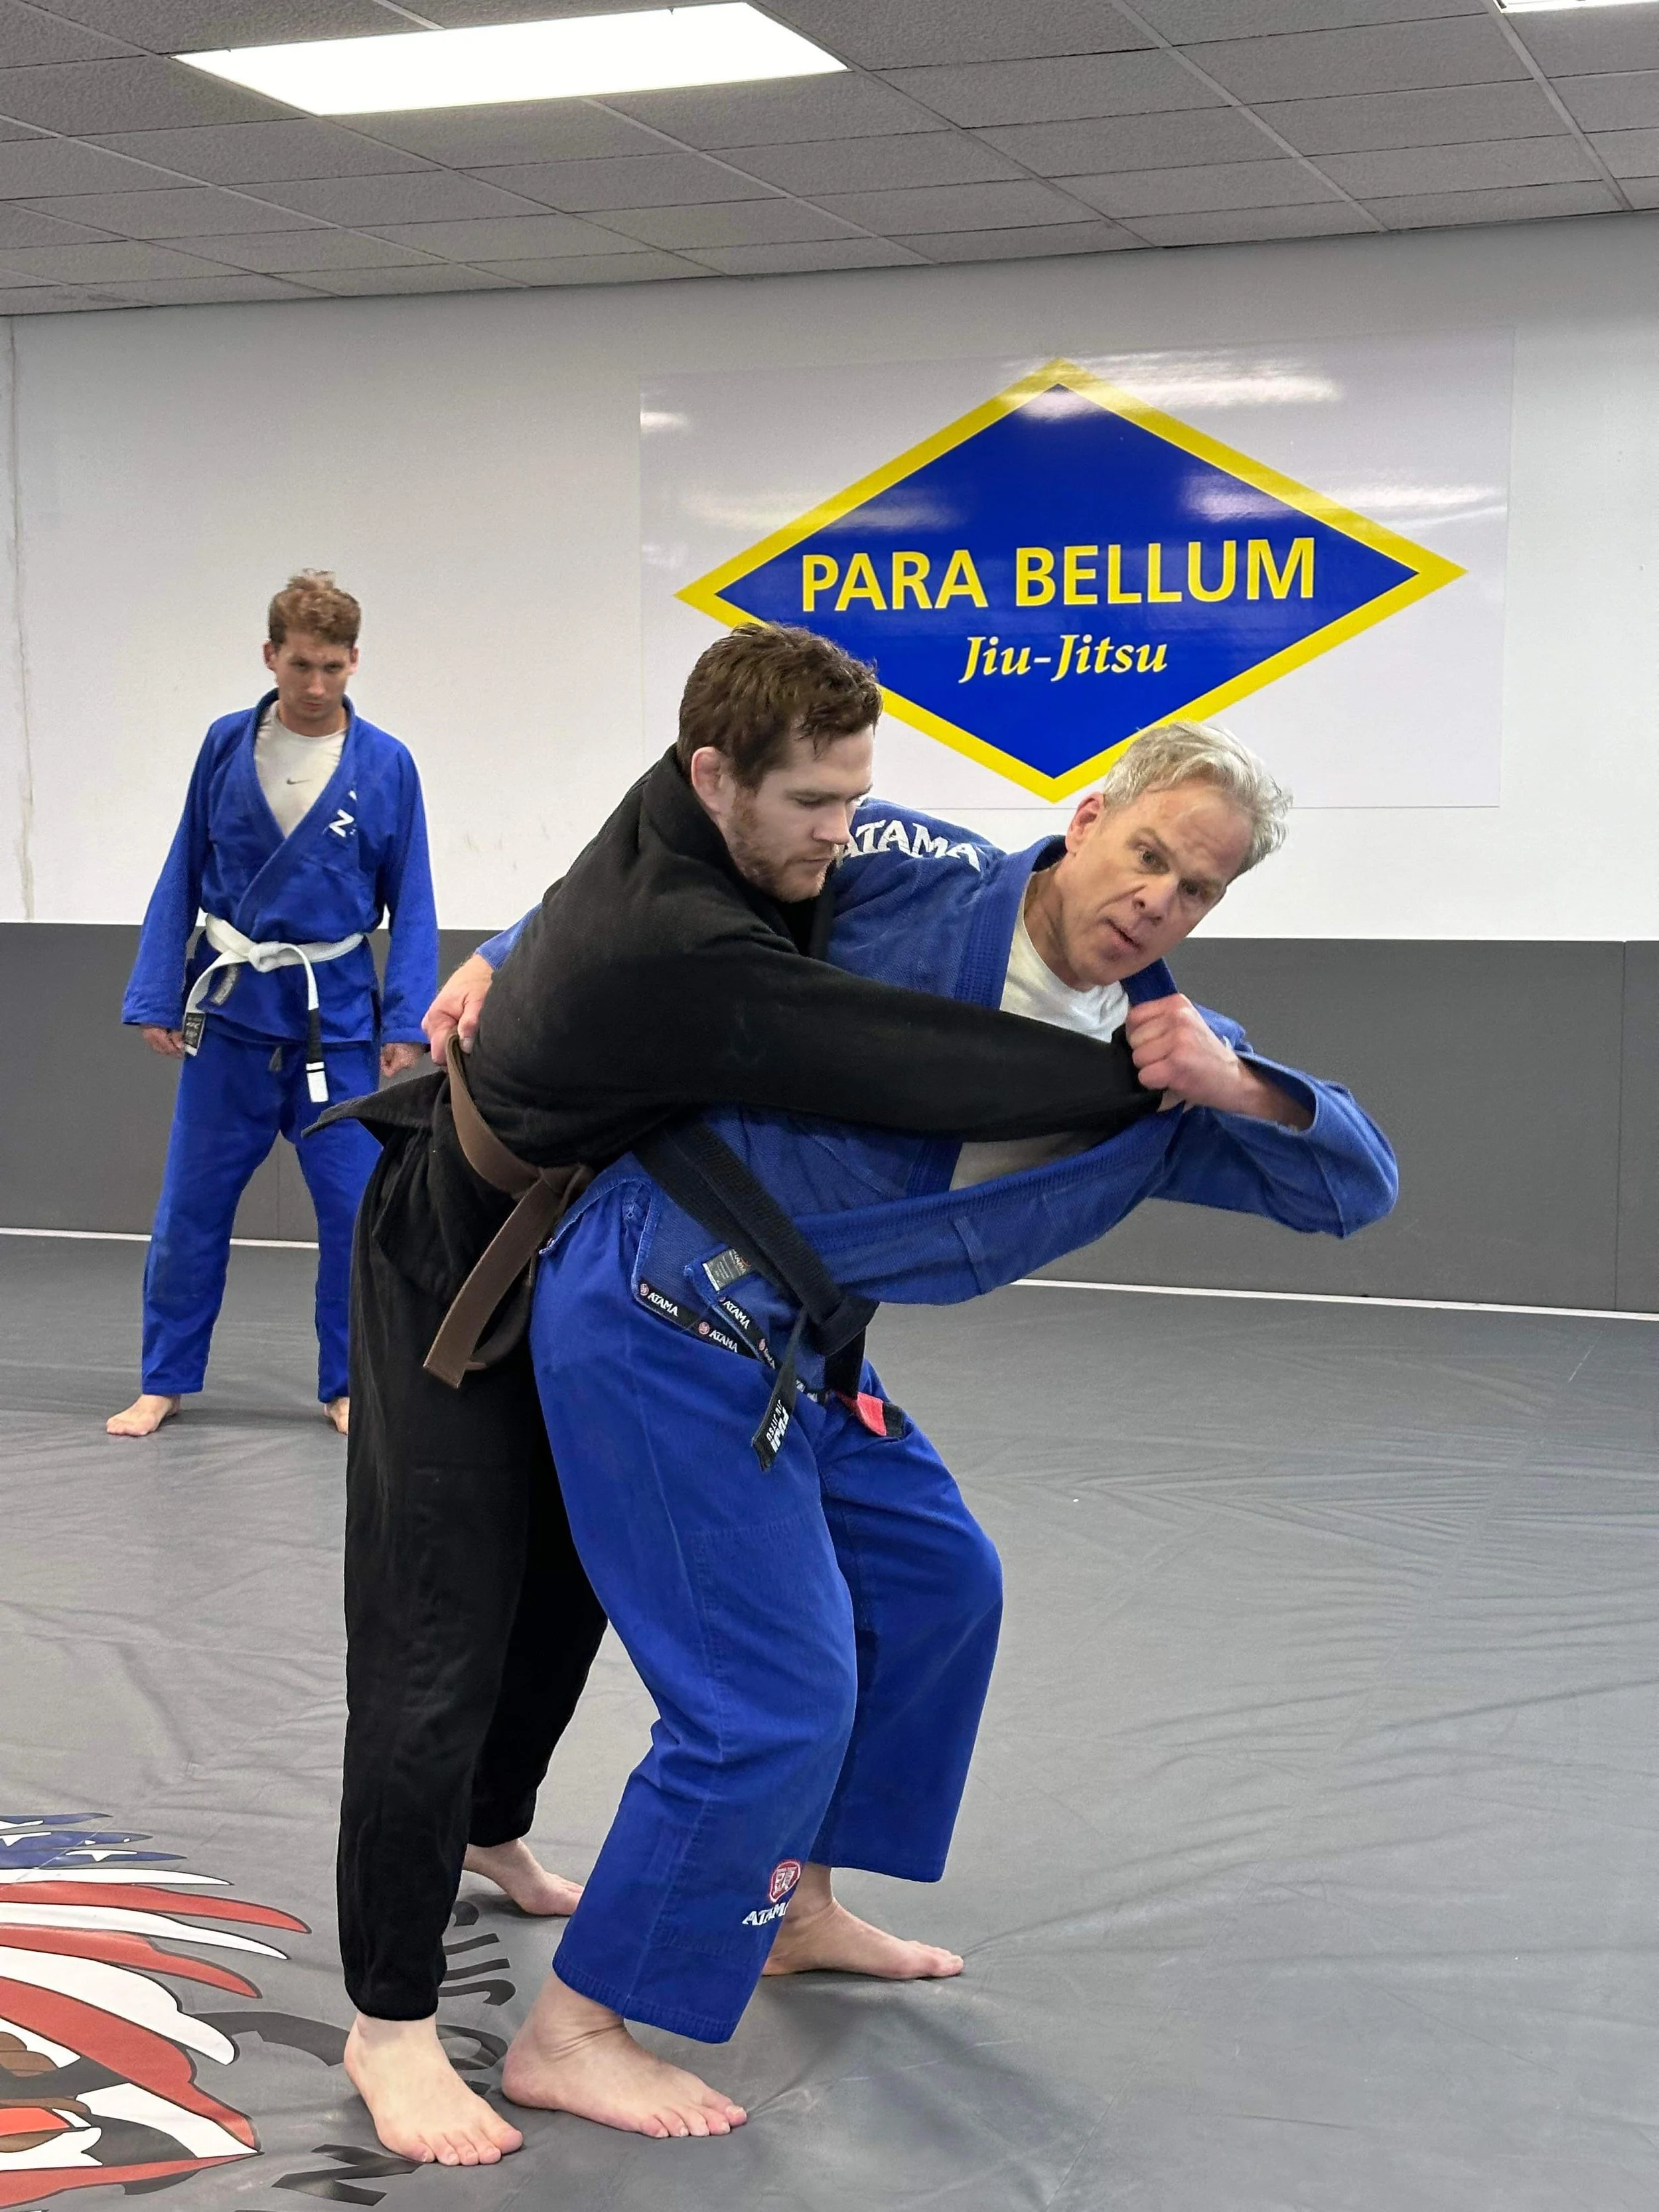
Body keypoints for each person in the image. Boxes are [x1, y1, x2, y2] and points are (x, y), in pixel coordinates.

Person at [330, 625, 1393, 2167]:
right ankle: (578, 2025)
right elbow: (658, 877)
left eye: (1200, 887)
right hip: (653, 1291)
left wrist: (1249, 1088)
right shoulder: (903, 876)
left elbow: (1355, 1186)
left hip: (800, 1347)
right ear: (1088, 817)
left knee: (939, 1582)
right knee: (764, 1689)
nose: (1158, 897)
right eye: (1150, 850)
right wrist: (500, 945)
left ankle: (796, 1901)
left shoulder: (1163, 1068)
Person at [108, 572, 437, 1439]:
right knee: (191, 1208)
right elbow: (183, 866)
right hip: (232, 1016)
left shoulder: (387, 766)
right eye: (301, 664)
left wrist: (405, 1023)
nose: (318, 684)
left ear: (355, 661)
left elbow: (414, 898)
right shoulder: (225, 746)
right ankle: (165, 1378)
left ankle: (348, 1382)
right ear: (270, 656)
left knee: (354, 1216)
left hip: (338, 1026)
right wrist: (158, 991)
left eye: (334, 666)